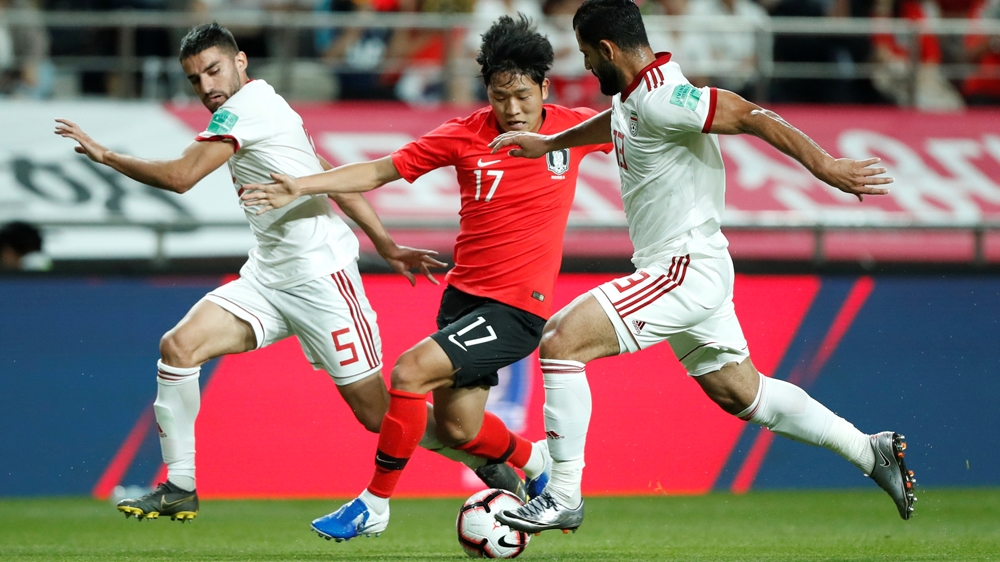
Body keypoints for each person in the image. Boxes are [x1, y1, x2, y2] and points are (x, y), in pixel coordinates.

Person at [53, 22, 520, 523]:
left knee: (376, 414)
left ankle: (497, 457)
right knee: (178, 347)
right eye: (195, 79)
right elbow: (327, 175)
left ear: (241, 61)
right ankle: (179, 486)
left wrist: (107, 156)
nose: (206, 85)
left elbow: (181, 177)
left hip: (321, 278)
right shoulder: (267, 108)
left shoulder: (247, 108)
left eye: (213, 70)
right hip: (268, 276)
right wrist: (385, 244)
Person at [488, 0, 915, 534]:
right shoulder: (633, 96)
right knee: (742, 393)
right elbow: (617, 124)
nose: (586, 65)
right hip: (686, 266)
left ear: (607, 49)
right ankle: (869, 450)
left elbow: (748, 114)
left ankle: (563, 494)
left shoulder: (666, 97)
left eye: (587, 54)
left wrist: (826, 165)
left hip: (682, 267)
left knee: (560, 340)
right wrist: (552, 142)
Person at [240, 14, 613, 541]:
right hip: (463, 299)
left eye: (523, 96)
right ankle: (537, 461)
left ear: (545, 88)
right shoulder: (463, 134)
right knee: (460, 429)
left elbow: (642, 127)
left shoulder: (573, 129)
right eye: (500, 96)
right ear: (487, 91)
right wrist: (301, 185)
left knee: (409, 373)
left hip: (516, 308)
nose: (512, 109)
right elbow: (379, 170)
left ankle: (374, 504)